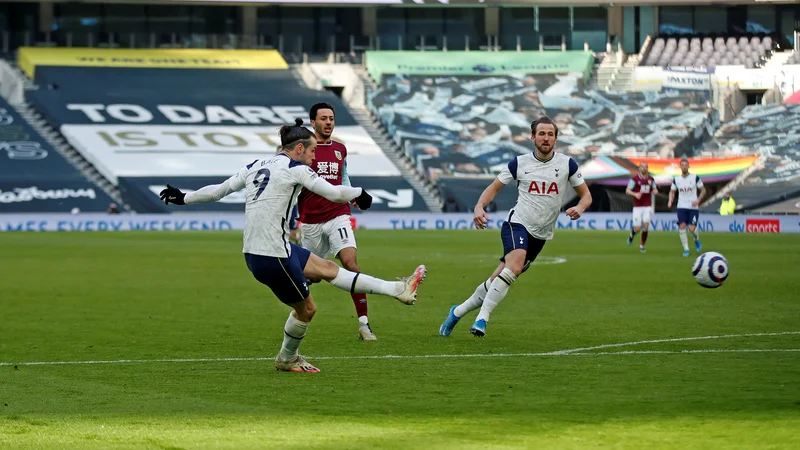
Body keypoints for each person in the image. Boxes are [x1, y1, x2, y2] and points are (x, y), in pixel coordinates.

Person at [159, 119, 426, 373]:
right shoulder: (296, 168)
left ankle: (398, 289)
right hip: (272, 255)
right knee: (307, 309)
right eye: (311, 151)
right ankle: (287, 359)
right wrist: (359, 193)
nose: (314, 157)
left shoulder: (256, 164)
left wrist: (183, 197)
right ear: (299, 148)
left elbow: (219, 190)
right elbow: (333, 192)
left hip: (262, 249)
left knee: (327, 268)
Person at [438, 116, 592, 338]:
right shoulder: (519, 163)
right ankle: (482, 318)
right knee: (516, 265)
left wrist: (580, 207)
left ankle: (457, 312)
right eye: (541, 134)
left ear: (556, 139)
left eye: (550, 134)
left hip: (541, 235)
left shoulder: (567, 164)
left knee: (498, 278)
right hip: (517, 224)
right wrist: (479, 206)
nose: (546, 138)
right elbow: (494, 188)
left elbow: (586, 196)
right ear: (533, 137)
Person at [297, 103, 379, 341]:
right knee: (307, 277)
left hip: (338, 215)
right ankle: (299, 316)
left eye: (331, 118)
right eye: (323, 118)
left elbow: (343, 177)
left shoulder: (340, 149)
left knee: (351, 265)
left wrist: (352, 195)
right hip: (310, 222)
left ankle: (364, 324)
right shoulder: (303, 150)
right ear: (313, 122)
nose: (328, 122)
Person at [668, 157, 707, 257]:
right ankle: (686, 249)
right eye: (682, 165)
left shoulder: (695, 177)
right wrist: (670, 200)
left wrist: (698, 200)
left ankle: (696, 239)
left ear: (689, 166)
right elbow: (672, 191)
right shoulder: (676, 179)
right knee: (682, 226)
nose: (684, 167)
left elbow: (703, 190)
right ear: (680, 167)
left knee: (692, 228)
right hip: (681, 206)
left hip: (693, 207)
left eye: (686, 165)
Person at [625, 162, 658, 253]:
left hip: (647, 206)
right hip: (637, 206)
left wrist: (655, 191)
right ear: (639, 168)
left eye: (646, 167)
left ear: (647, 168)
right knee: (638, 228)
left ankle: (642, 245)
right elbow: (627, 190)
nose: (644, 168)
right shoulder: (635, 179)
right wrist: (635, 194)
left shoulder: (651, 179)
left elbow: (654, 188)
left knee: (646, 226)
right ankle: (632, 235)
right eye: (642, 167)